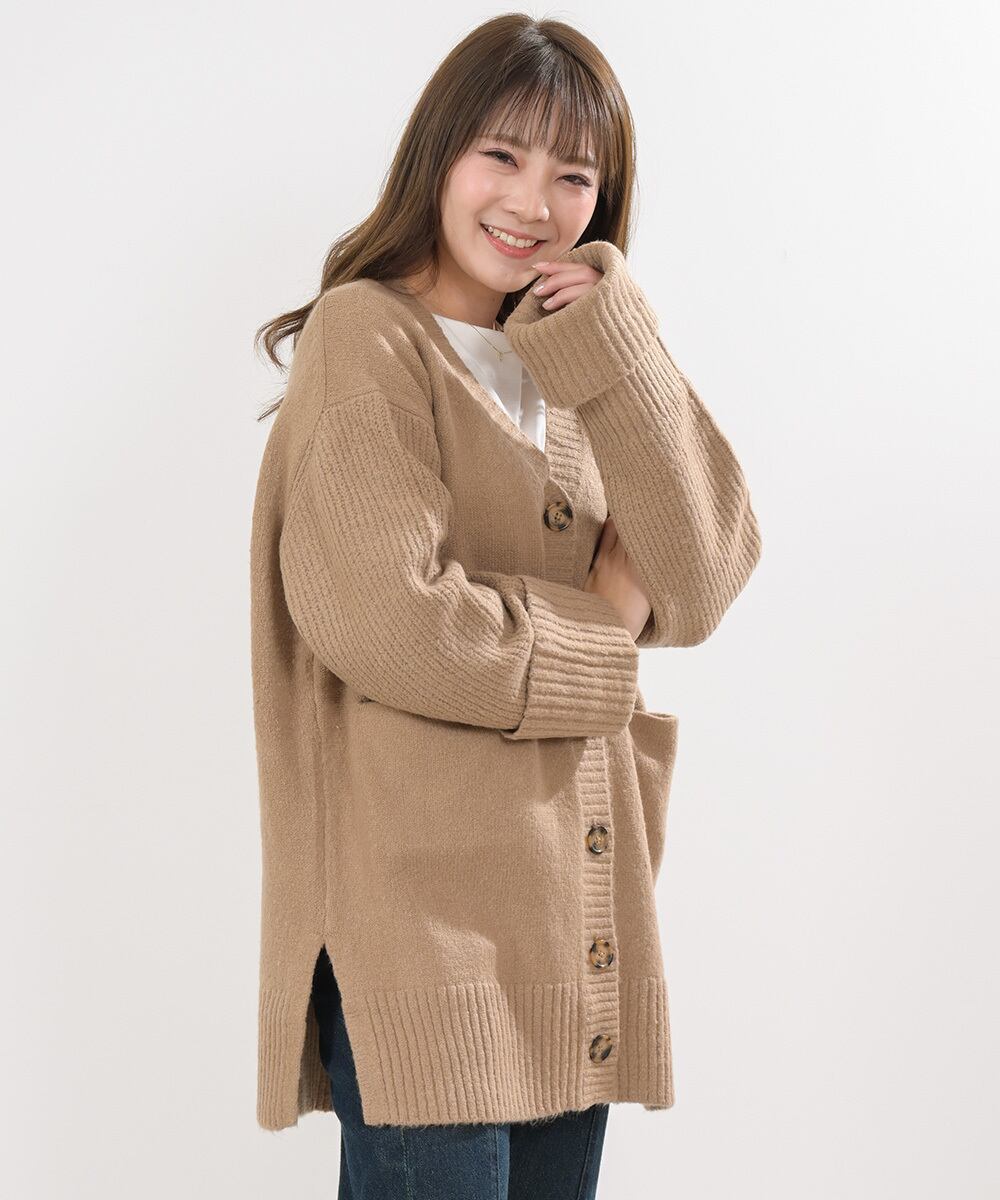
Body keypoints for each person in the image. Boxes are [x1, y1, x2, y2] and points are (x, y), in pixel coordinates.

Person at [250, 13, 762, 1198]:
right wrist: (604, 622)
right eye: (502, 155)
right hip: (418, 936)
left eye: (573, 175)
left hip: (573, 926)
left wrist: (616, 341)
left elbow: (700, 576)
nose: (532, 202)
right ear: (438, 154)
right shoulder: (366, 338)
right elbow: (396, 624)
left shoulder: (576, 361)